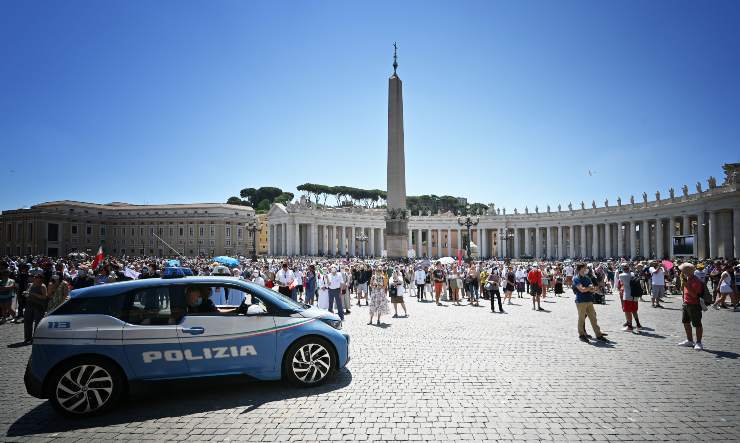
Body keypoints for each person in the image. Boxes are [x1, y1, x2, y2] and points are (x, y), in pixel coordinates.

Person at [572, 263, 608, 343]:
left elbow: (592, 288)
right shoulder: (576, 278)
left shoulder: (587, 278)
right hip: (581, 301)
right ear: (580, 268)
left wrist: (588, 288)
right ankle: (581, 335)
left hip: (589, 300)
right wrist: (589, 288)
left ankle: (598, 335)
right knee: (581, 319)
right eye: (585, 268)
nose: (586, 269)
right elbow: (582, 289)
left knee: (593, 318)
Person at [677, 263, 706, 350]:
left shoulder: (696, 281)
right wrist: (683, 283)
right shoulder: (687, 279)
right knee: (686, 322)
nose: (681, 272)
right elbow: (683, 290)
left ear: (686, 272)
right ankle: (690, 340)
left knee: (697, 324)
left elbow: (694, 295)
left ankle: (699, 342)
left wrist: (686, 285)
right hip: (686, 304)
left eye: (682, 271)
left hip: (694, 305)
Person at [24, 273, 48, 344]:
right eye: (35, 277)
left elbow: (44, 297)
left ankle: (35, 338)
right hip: (29, 305)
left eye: (37, 277)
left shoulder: (42, 286)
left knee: (37, 322)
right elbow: (28, 292)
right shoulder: (30, 285)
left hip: (38, 306)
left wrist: (33, 294)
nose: (35, 278)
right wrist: (26, 294)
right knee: (27, 321)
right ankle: (27, 337)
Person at [617, 264, 642, 332]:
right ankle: (638, 325)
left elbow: (620, 283)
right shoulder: (633, 274)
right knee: (634, 310)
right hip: (635, 295)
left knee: (627, 311)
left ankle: (630, 326)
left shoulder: (621, 275)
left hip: (627, 295)